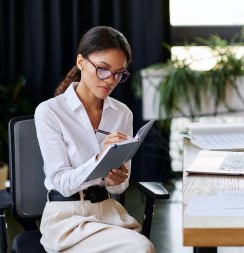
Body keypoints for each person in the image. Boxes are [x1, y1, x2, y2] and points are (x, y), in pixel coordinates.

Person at [34, 26, 155, 253]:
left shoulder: (122, 113)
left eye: (119, 73)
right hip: (66, 219)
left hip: (109, 212)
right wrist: (100, 158)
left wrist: (114, 180)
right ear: (81, 62)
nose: (110, 80)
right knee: (140, 248)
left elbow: (121, 185)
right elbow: (60, 181)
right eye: (102, 69)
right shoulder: (50, 112)